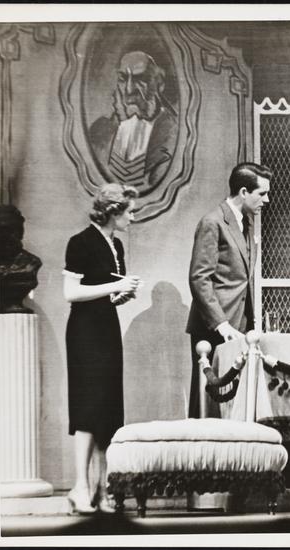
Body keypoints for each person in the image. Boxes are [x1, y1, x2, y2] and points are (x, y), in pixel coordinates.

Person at [62, 183, 142, 513]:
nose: (133, 218)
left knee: (108, 409)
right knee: (88, 407)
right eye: (130, 212)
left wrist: (121, 295)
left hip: (107, 328)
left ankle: (102, 489)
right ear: (113, 212)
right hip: (84, 332)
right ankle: (80, 487)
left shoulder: (116, 245)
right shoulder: (80, 242)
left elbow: (104, 294)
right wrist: (116, 285)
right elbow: (71, 293)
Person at [185, 162, 272, 418]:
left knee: (236, 400)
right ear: (243, 192)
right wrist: (221, 324)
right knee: (209, 399)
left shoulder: (247, 223)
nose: (267, 200)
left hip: (240, 325)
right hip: (214, 327)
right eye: (262, 193)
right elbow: (199, 278)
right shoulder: (212, 222)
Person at [88, 51, 178, 192]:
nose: (129, 90)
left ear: (159, 82)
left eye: (140, 79)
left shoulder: (172, 133)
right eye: (123, 79)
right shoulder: (100, 130)